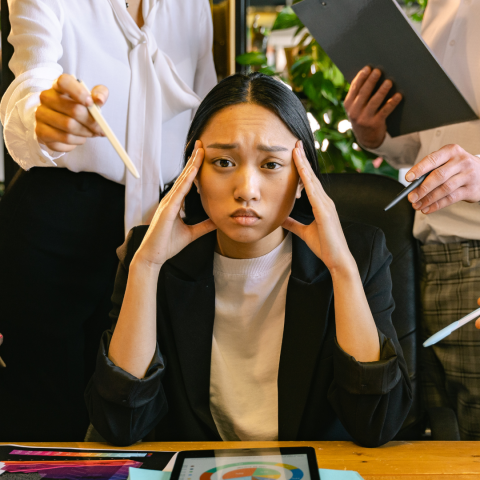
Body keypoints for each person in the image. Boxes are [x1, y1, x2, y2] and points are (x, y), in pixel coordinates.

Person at [85, 73, 412, 447]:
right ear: (194, 172)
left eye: (271, 165)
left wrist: (342, 270)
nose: (246, 191)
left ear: (303, 177)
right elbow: (119, 427)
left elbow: (378, 425)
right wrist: (145, 268)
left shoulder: (359, 254)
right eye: (223, 162)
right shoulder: (152, 257)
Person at [0, 0, 216, 441]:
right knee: (48, 417)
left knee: (146, 406)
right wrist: (44, 116)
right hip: (56, 225)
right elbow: (31, 79)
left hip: (166, 219)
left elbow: (208, 112)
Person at [343, 1, 480, 439]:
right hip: (425, 256)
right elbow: (426, 145)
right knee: (437, 445)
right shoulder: (440, 7)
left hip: (475, 252)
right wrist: (376, 134)